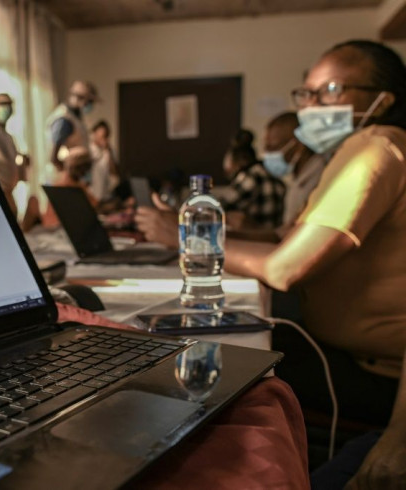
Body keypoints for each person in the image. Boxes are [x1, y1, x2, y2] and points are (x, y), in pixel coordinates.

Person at [136, 39, 406, 488]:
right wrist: (216, 231)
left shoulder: (376, 148)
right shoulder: (358, 150)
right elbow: (289, 237)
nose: (313, 106)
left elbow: (285, 267)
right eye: (308, 93)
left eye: (331, 90)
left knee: (208, 373)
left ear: (382, 100)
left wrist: (186, 237)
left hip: (372, 372)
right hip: (340, 347)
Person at [262, 111, 327, 228]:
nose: (268, 154)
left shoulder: (319, 178)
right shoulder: (297, 176)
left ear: (299, 146)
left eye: (274, 147)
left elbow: (290, 233)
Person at [220, 129, 286, 229]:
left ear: (239, 161)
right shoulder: (274, 176)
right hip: (274, 237)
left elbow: (220, 208)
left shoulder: (249, 178)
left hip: (256, 239)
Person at [46, 80, 99, 174]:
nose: (90, 105)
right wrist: (70, 175)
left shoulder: (76, 119)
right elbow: (54, 157)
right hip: (65, 176)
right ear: (79, 98)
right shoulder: (64, 120)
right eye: (89, 101)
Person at [41, 146, 96, 229]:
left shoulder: (77, 184)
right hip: (58, 229)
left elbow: (93, 203)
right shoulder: (66, 185)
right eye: (84, 168)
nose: (85, 172)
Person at [88, 120, 120, 203]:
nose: (102, 137)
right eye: (101, 135)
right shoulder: (88, 149)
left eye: (105, 135)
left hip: (105, 195)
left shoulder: (110, 151)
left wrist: (108, 151)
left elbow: (114, 173)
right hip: (90, 194)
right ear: (94, 133)